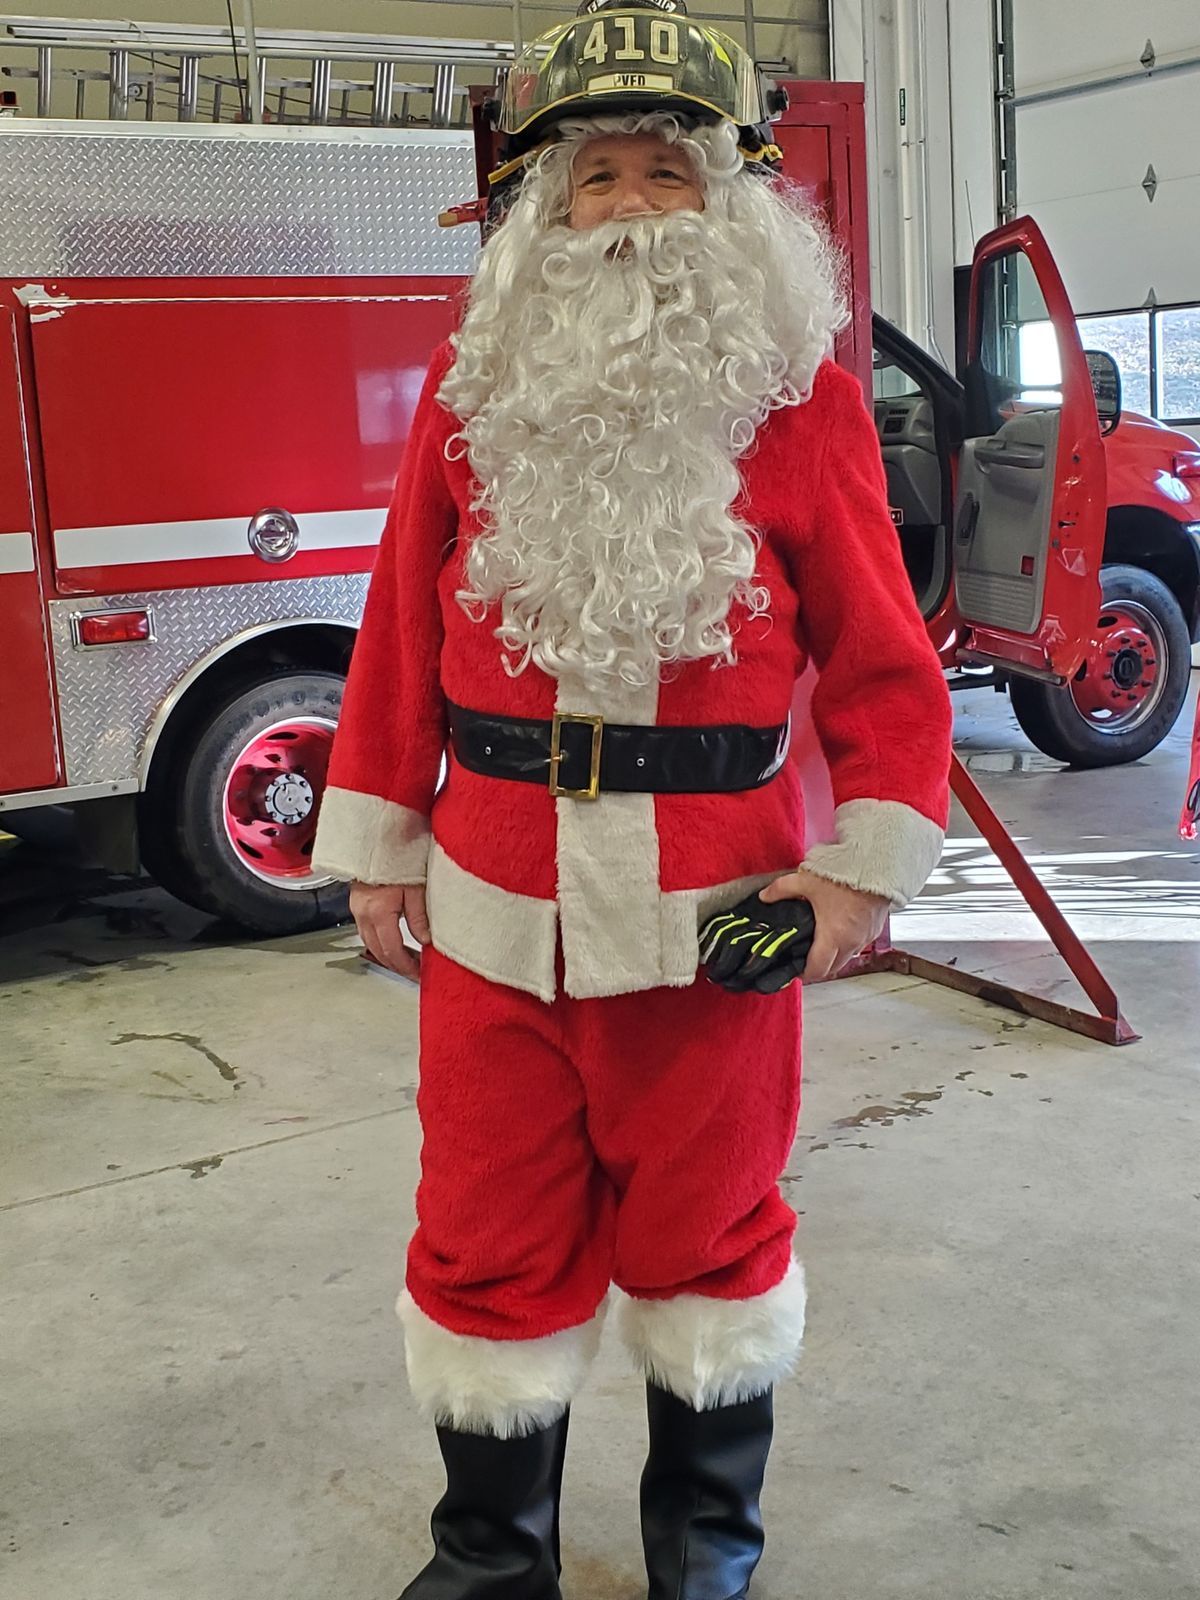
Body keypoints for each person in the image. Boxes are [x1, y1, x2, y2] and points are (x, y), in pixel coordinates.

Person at [312, 2, 952, 1595]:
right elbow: (398, 628)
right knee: (482, 1230)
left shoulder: (797, 406)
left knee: (710, 1236)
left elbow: (883, 659)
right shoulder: (474, 400)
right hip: (490, 907)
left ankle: (705, 1549)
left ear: (727, 202)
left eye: (667, 174)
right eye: (598, 177)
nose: (631, 209)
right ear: (548, 211)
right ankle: (490, 1557)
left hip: (716, 916)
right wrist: (377, 842)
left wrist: (862, 868)